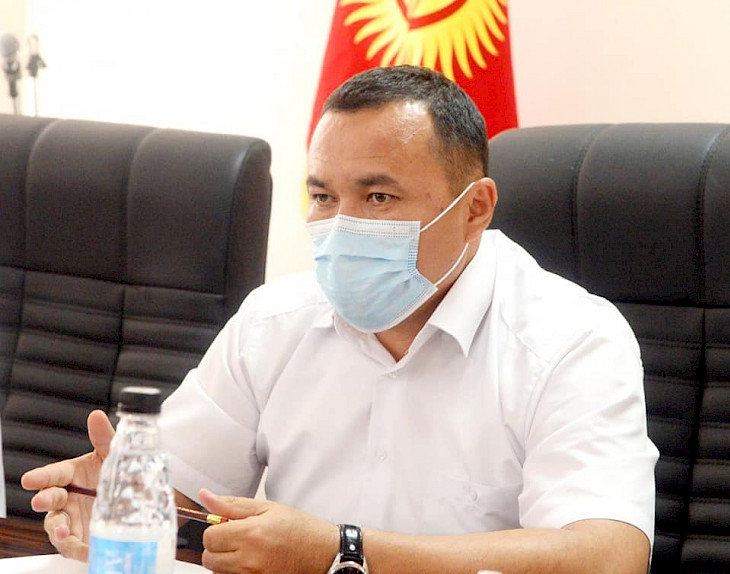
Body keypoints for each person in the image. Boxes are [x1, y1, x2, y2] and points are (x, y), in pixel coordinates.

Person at [22, 65, 658, 574]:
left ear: (475, 209)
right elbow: (188, 489)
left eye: (378, 196)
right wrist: (122, 500)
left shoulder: (571, 338)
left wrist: (344, 551)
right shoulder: (275, 319)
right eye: (323, 196)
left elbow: (608, 555)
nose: (341, 225)